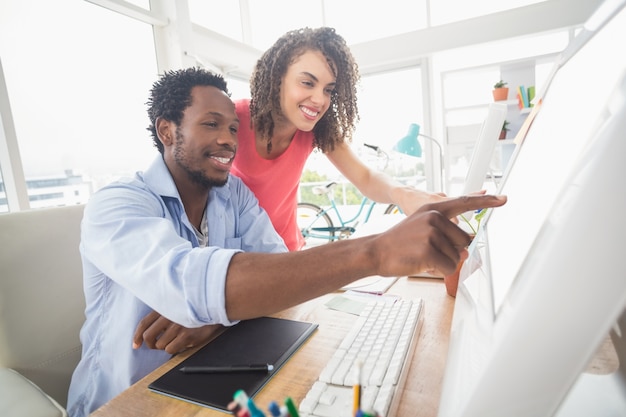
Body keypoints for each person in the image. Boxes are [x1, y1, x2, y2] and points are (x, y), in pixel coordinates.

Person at [67, 67, 505, 417]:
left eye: (231, 129)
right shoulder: (117, 205)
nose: (228, 139)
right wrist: (376, 251)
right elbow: (190, 285)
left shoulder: (231, 194)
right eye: (210, 125)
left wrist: (215, 319)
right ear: (167, 131)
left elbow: (275, 268)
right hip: (126, 400)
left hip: (205, 376)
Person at [231, 26, 448, 251]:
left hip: (286, 254)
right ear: (277, 78)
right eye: (307, 83)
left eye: (328, 90)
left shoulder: (315, 131)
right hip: (237, 259)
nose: (319, 99)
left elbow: (365, 177)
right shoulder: (231, 118)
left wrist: (404, 195)